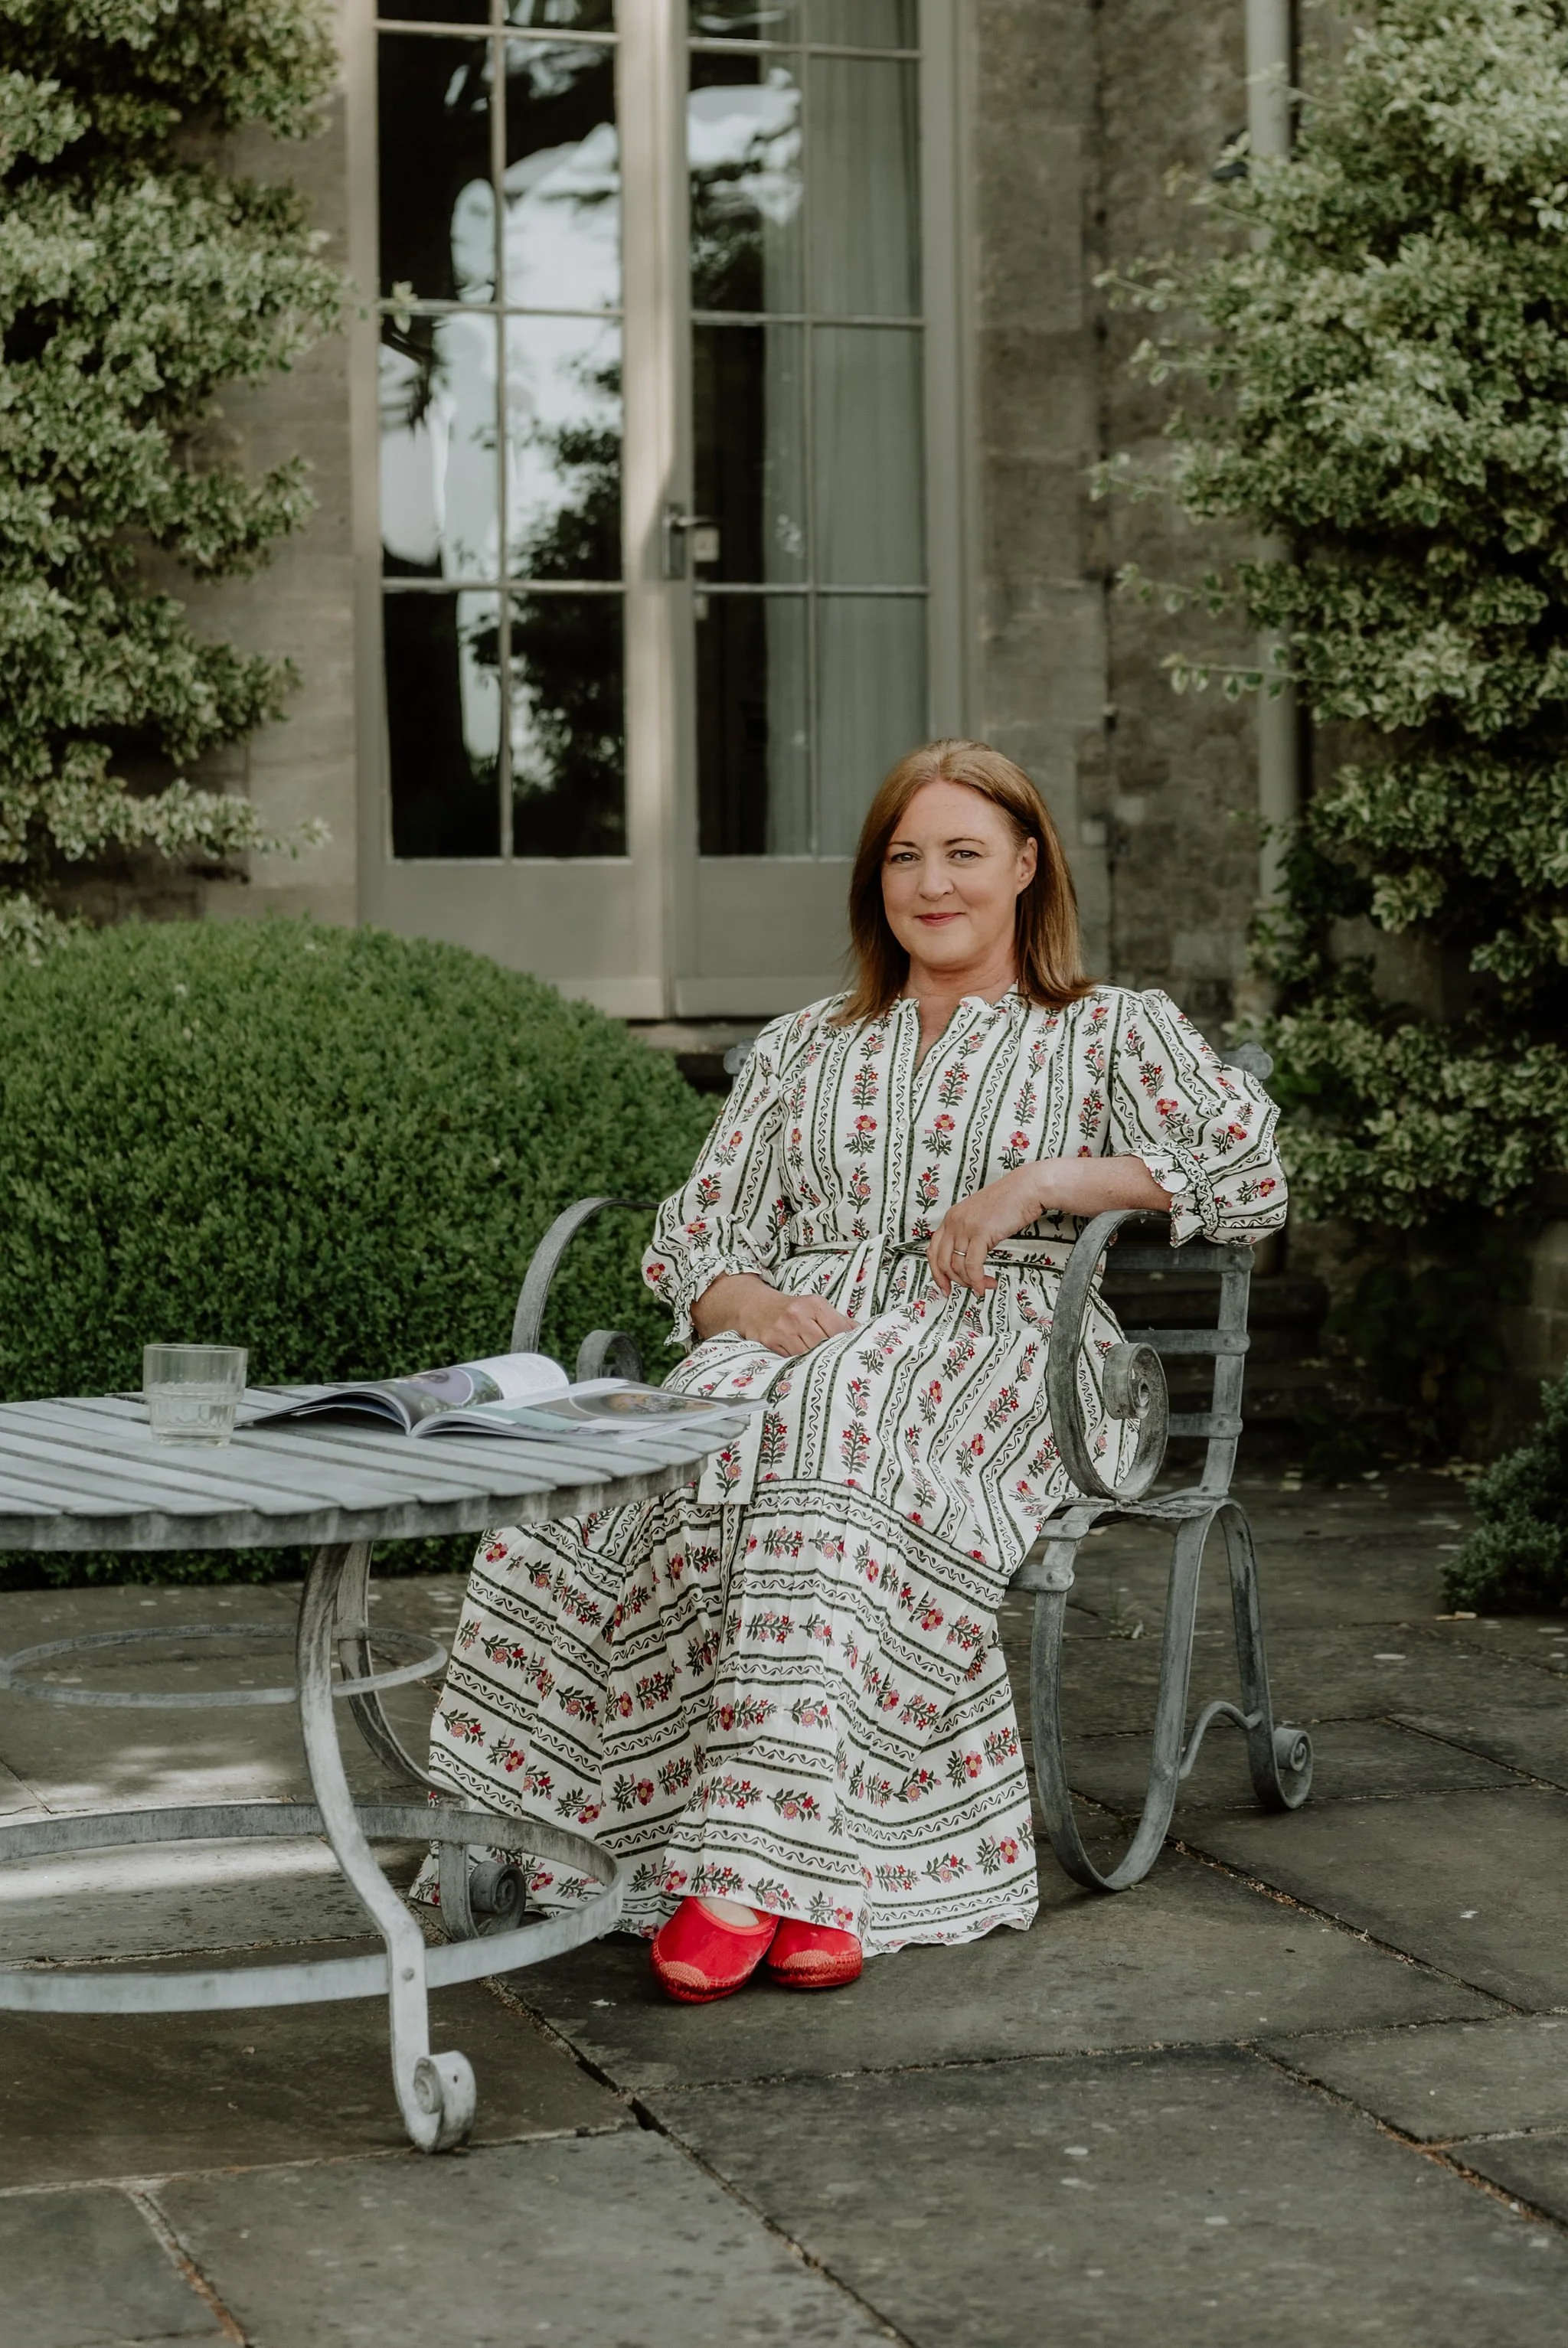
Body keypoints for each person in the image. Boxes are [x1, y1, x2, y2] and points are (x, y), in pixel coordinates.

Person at [415, 740, 1287, 2000]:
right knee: (641, 1444)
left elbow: (1249, 1177)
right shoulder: (803, 1046)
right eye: (904, 855)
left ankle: (757, 1877)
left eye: (964, 853)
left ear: (1030, 866)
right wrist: (750, 1302)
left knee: (835, 1410)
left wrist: (1046, 1181)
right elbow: (693, 1237)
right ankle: (599, 1834)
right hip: (809, 1338)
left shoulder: (1106, 1030)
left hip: (1017, 1350)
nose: (933, 882)